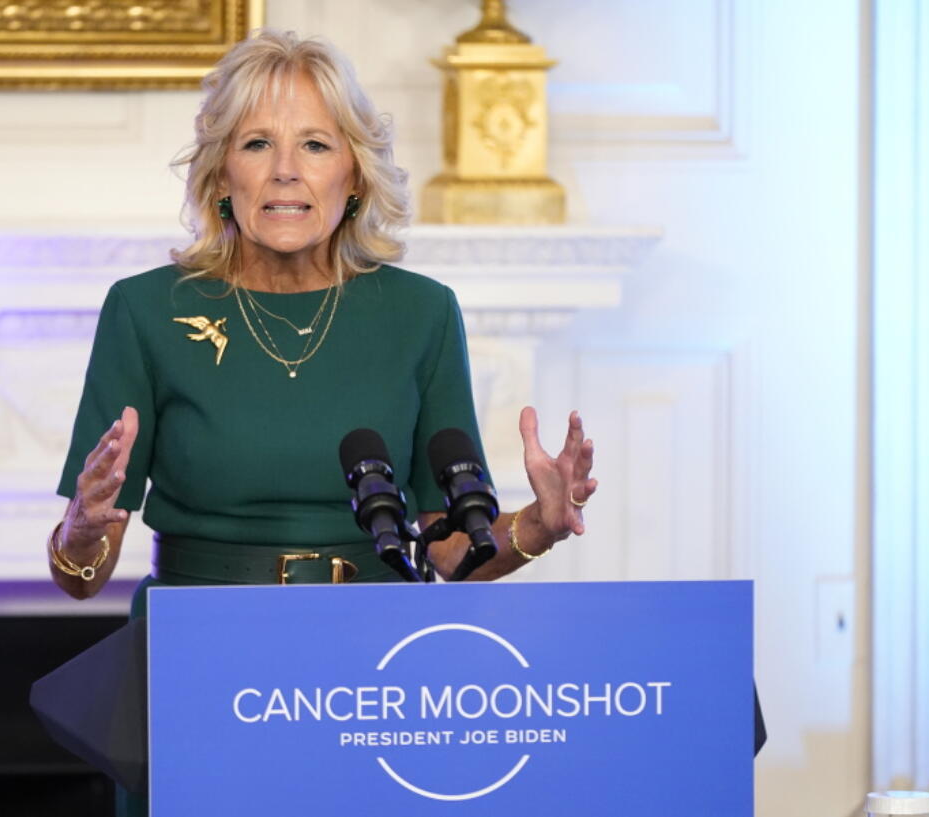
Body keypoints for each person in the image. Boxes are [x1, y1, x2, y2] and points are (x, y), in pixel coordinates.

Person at [47, 28, 597, 815]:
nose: (285, 171)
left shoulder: (421, 314)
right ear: (219, 172)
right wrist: (78, 531)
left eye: (314, 144)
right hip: (201, 666)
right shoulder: (146, 311)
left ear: (355, 172)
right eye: (257, 143)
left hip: (373, 672)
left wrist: (539, 524)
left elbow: (448, 546)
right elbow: (83, 576)